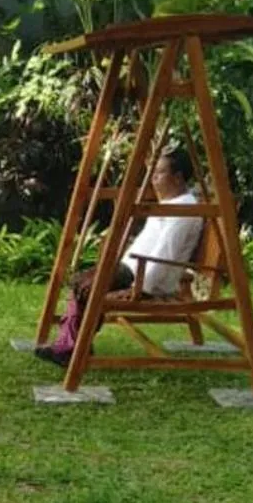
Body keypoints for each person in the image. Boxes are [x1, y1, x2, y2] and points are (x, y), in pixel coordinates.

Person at [35, 148, 204, 366]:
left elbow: (166, 254)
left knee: (88, 288)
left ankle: (72, 348)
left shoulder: (183, 212)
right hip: (131, 269)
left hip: (140, 278)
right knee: (80, 281)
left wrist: (140, 289)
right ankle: (73, 345)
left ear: (178, 177)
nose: (153, 178)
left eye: (160, 173)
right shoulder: (170, 205)